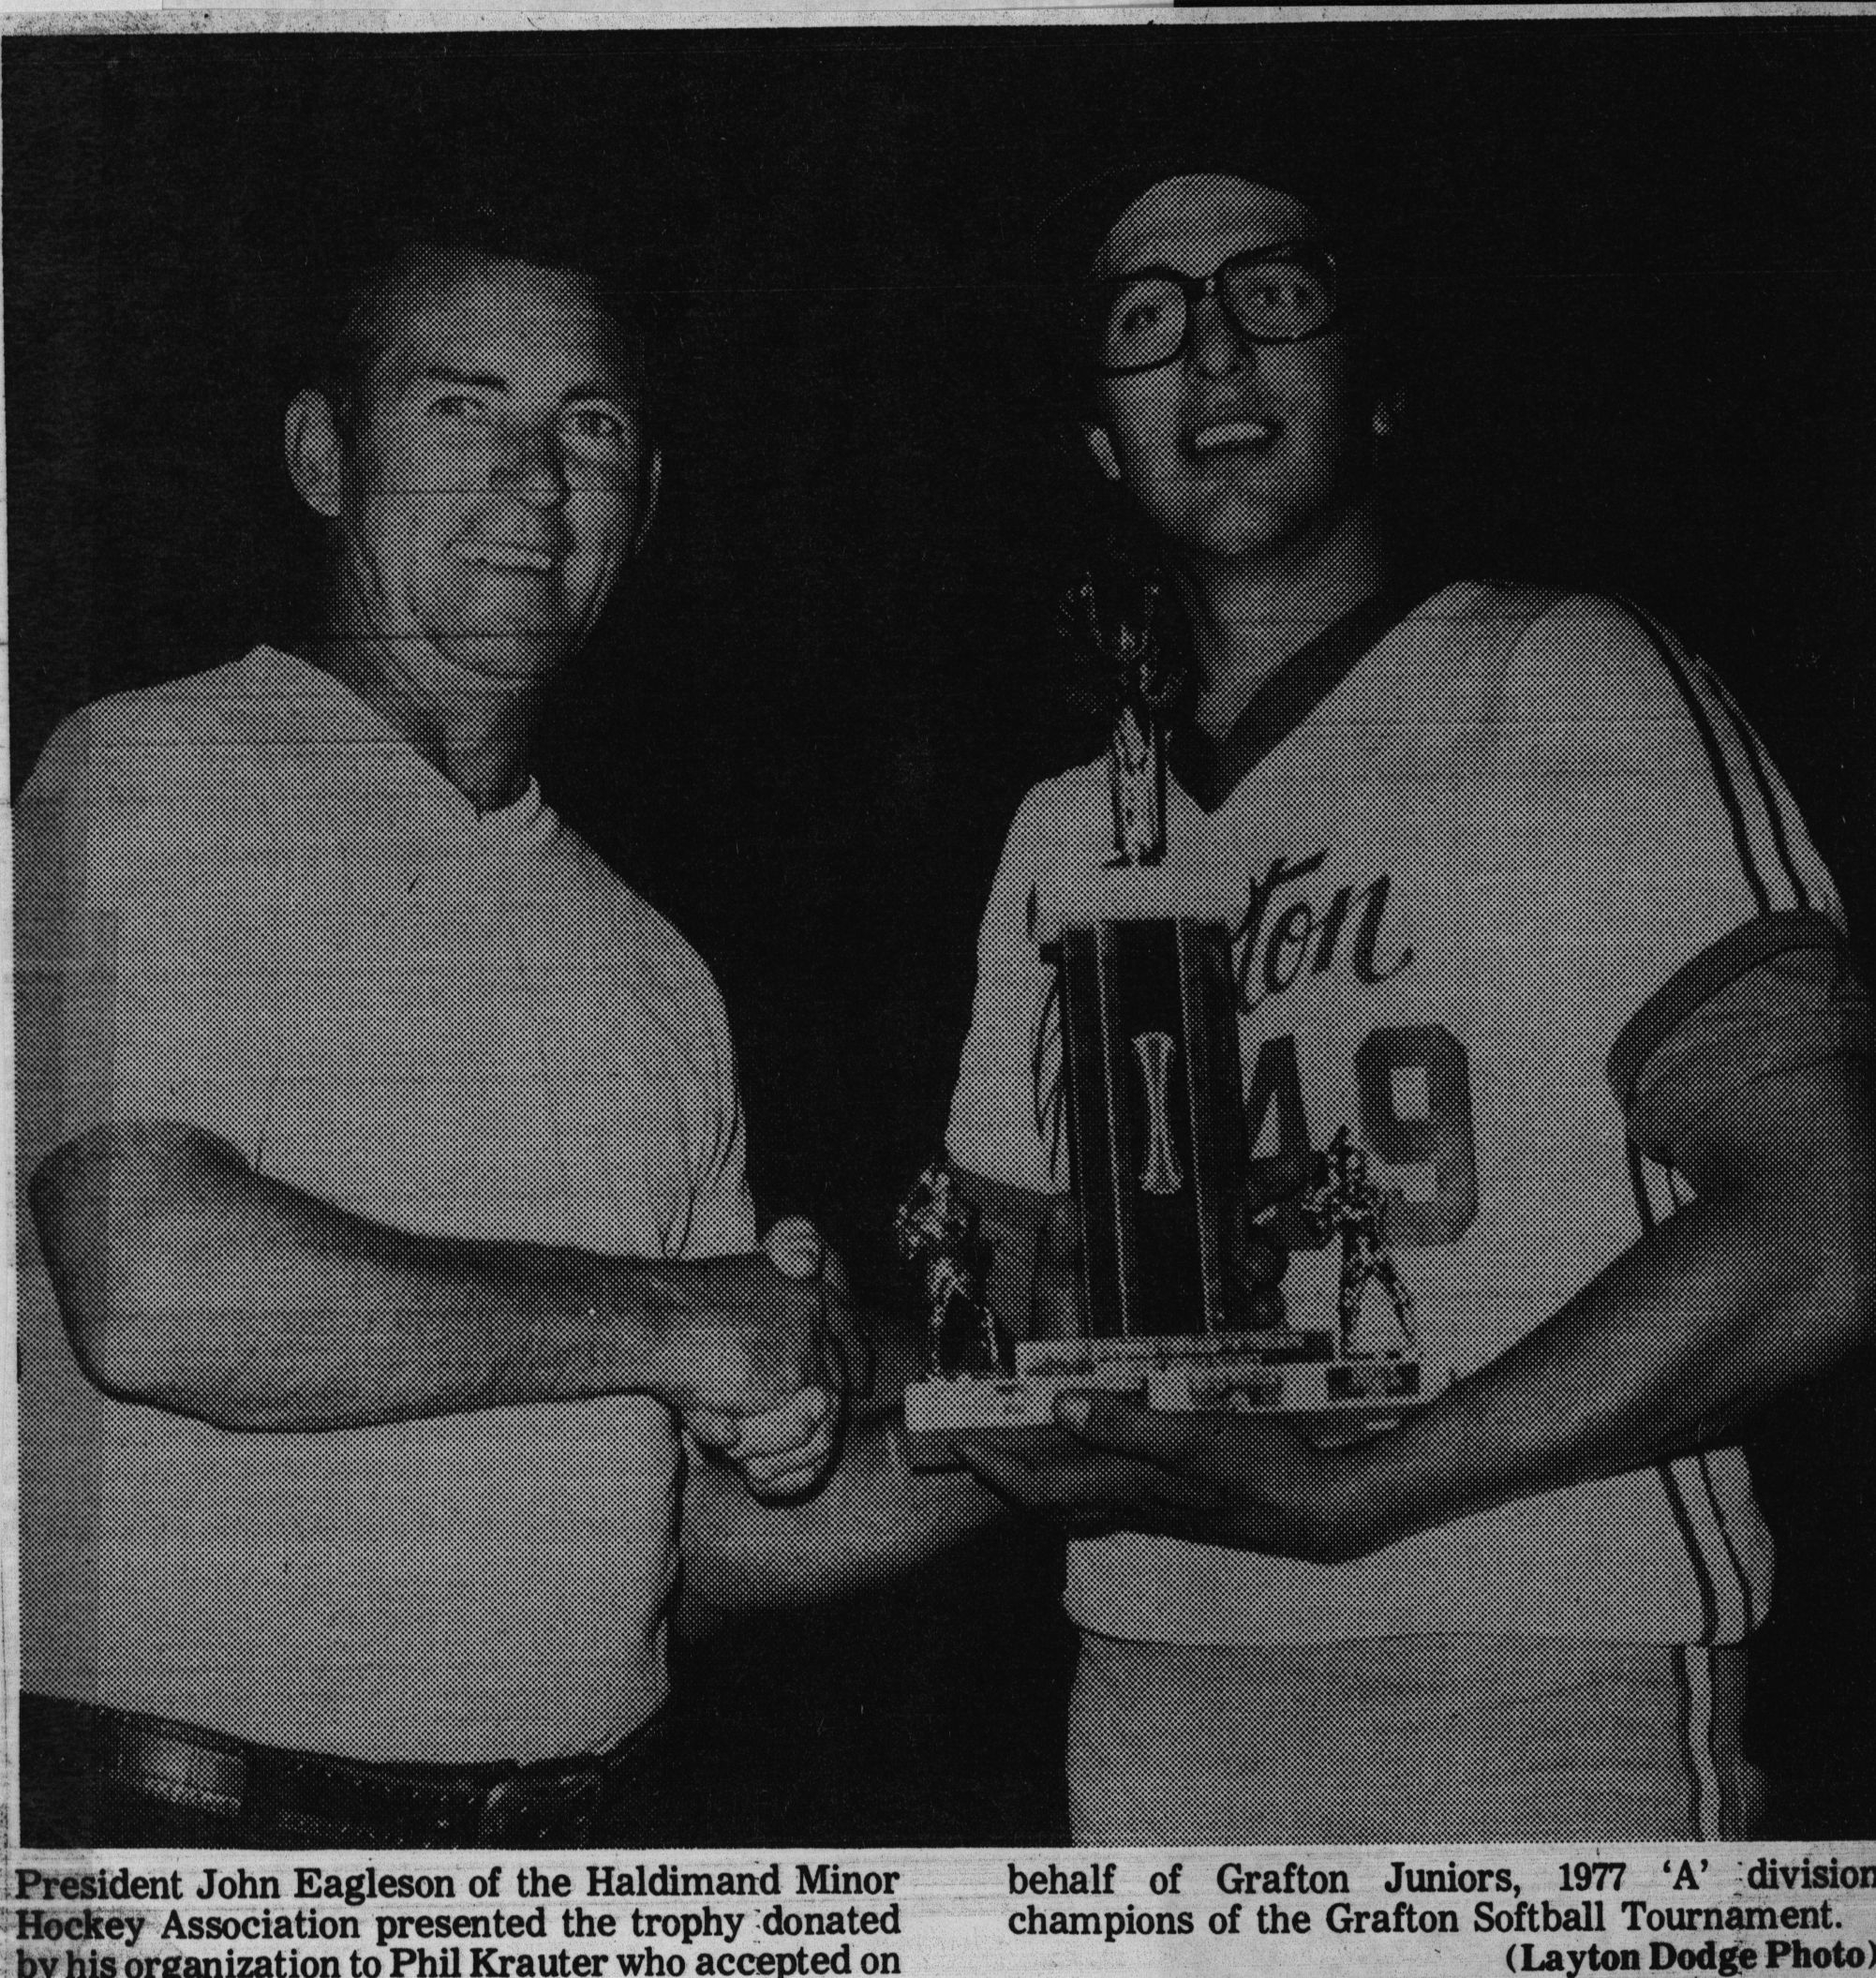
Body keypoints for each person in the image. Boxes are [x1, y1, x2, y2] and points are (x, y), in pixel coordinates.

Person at [942, 156, 1875, 1842]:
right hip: (1149, 1663)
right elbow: (1012, 1286)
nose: (1215, 356)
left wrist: (1364, 1492)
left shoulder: (1563, 677)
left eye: (1271, 296)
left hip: (1536, 1654)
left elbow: (1824, 1222)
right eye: (1148, 323)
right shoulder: (1066, 825)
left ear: (1373, 387)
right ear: (1097, 439)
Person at [13, 215, 869, 1848]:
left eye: (592, 425)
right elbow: (155, 1288)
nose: (537, 481)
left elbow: (681, 1547)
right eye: (462, 407)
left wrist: (1038, 1445)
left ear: (648, 503)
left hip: (586, 1838)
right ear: (323, 454)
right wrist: (681, 1322)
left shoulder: (660, 964)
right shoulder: (141, 773)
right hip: (217, 1837)